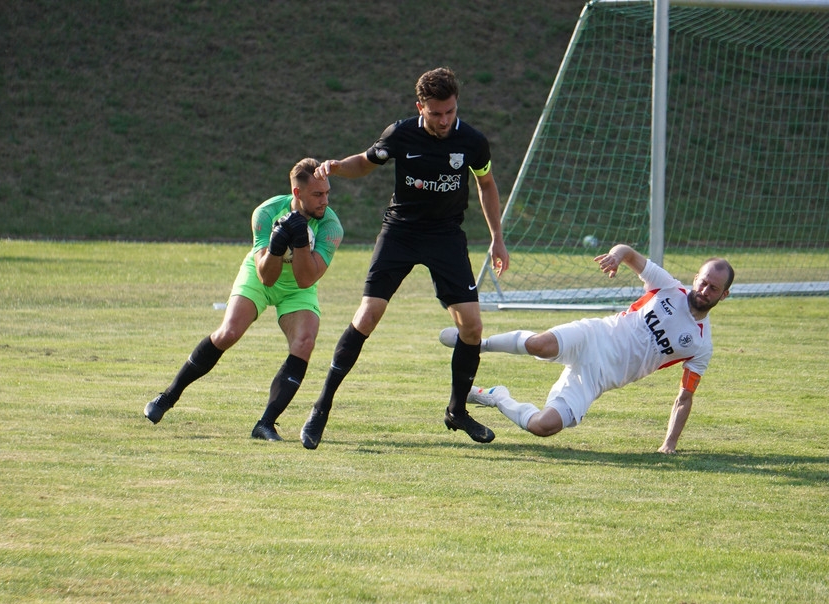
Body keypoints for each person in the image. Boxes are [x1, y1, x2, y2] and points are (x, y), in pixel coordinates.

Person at [299, 67, 510, 450]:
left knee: (472, 327)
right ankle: (321, 407)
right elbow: (365, 162)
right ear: (420, 108)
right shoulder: (401, 134)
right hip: (401, 232)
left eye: (450, 112)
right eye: (436, 113)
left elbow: (486, 184)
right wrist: (337, 167)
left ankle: (457, 411)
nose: (444, 120)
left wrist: (497, 238)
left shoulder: (473, 141)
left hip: (445, 236)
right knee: (368, 315)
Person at [439, 244, 734, 454]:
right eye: (703, 282)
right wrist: (616, 256)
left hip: (598, 377)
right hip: (594, 335)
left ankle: (496, 396)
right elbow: (628, 252)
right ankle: (476, 345)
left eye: (713, 289)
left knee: (543, 426)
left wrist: (669, 444)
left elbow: (684, 397)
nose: (704, 291)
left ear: (724, 295)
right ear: (696, 278)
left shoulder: (700, 345)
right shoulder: (668, 287)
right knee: (539, 345)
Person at [143, 158, 344, 441]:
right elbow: (266, 277)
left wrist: (300, 240)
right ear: (297, 193)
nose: (325, 201)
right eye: (317, 194)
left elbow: (305, 280)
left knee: (305, 342)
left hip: (298, 286)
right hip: (260, 275)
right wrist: (277, 244)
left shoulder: (331, 227)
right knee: (228, 332)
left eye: (327, 193)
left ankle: (265, 424)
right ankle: (168, 396)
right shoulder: (266, 213)